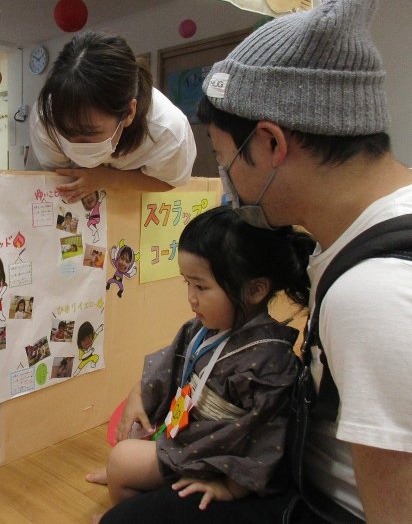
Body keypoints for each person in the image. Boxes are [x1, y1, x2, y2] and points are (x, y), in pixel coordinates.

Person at [107, 0, 412, 522]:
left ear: (271, 143)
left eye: (222, 156)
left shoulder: (374, 292)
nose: (225, 176)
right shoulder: (358, 234)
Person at [90, 206, 313, 522]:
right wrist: (137, 395)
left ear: (254, 290)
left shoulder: (269, 361)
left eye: (201, 286)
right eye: (187, 284)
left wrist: (232, 488)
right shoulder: (199, 329)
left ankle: (126, 499)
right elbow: (166, 370)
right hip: (189, 433)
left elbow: (267, 438)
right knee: (131, 432)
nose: (191, 298)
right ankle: (132, 482)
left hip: (218, 455)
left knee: (123, 460)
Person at [30, 32, 196, 204]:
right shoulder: (46, 117)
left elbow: (169, 181)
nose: (75, 144)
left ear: (129, 113)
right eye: (66, 132)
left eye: (89, 133)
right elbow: (59, 179)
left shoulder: (168, 130)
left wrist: (108, 178)